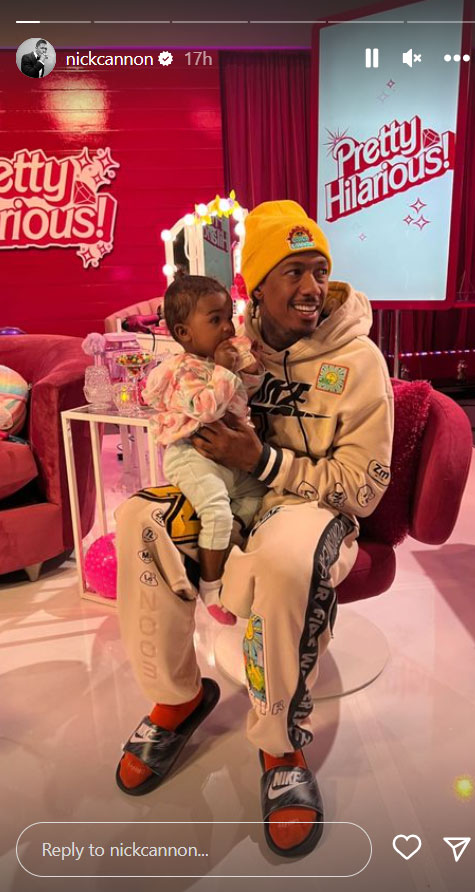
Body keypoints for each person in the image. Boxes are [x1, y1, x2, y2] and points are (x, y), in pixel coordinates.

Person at [115, 200, 394, 859]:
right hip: (236, 497)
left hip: (309, 508)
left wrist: (263, 460)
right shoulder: (232, 345)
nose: (311, 287)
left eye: (319, 270)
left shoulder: (358, 362)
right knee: (139, 520)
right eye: (293, 272)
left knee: (284, 560)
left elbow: (364, 487)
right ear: (257, 287)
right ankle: (177, 699)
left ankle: (280, 744)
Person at [142, 274, 267, 624]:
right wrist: (224, 370)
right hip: (190, 454)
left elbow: (242, 396)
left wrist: (251, 368)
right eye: (215, 320)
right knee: (216, 511)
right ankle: (210, 588)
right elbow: (206, 409)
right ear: (184, 333)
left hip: (224, 455)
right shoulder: (181, 370)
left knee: (258, 492)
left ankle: (224, 540)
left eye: (228, 316)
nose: (227, 327)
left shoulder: (215, 363)